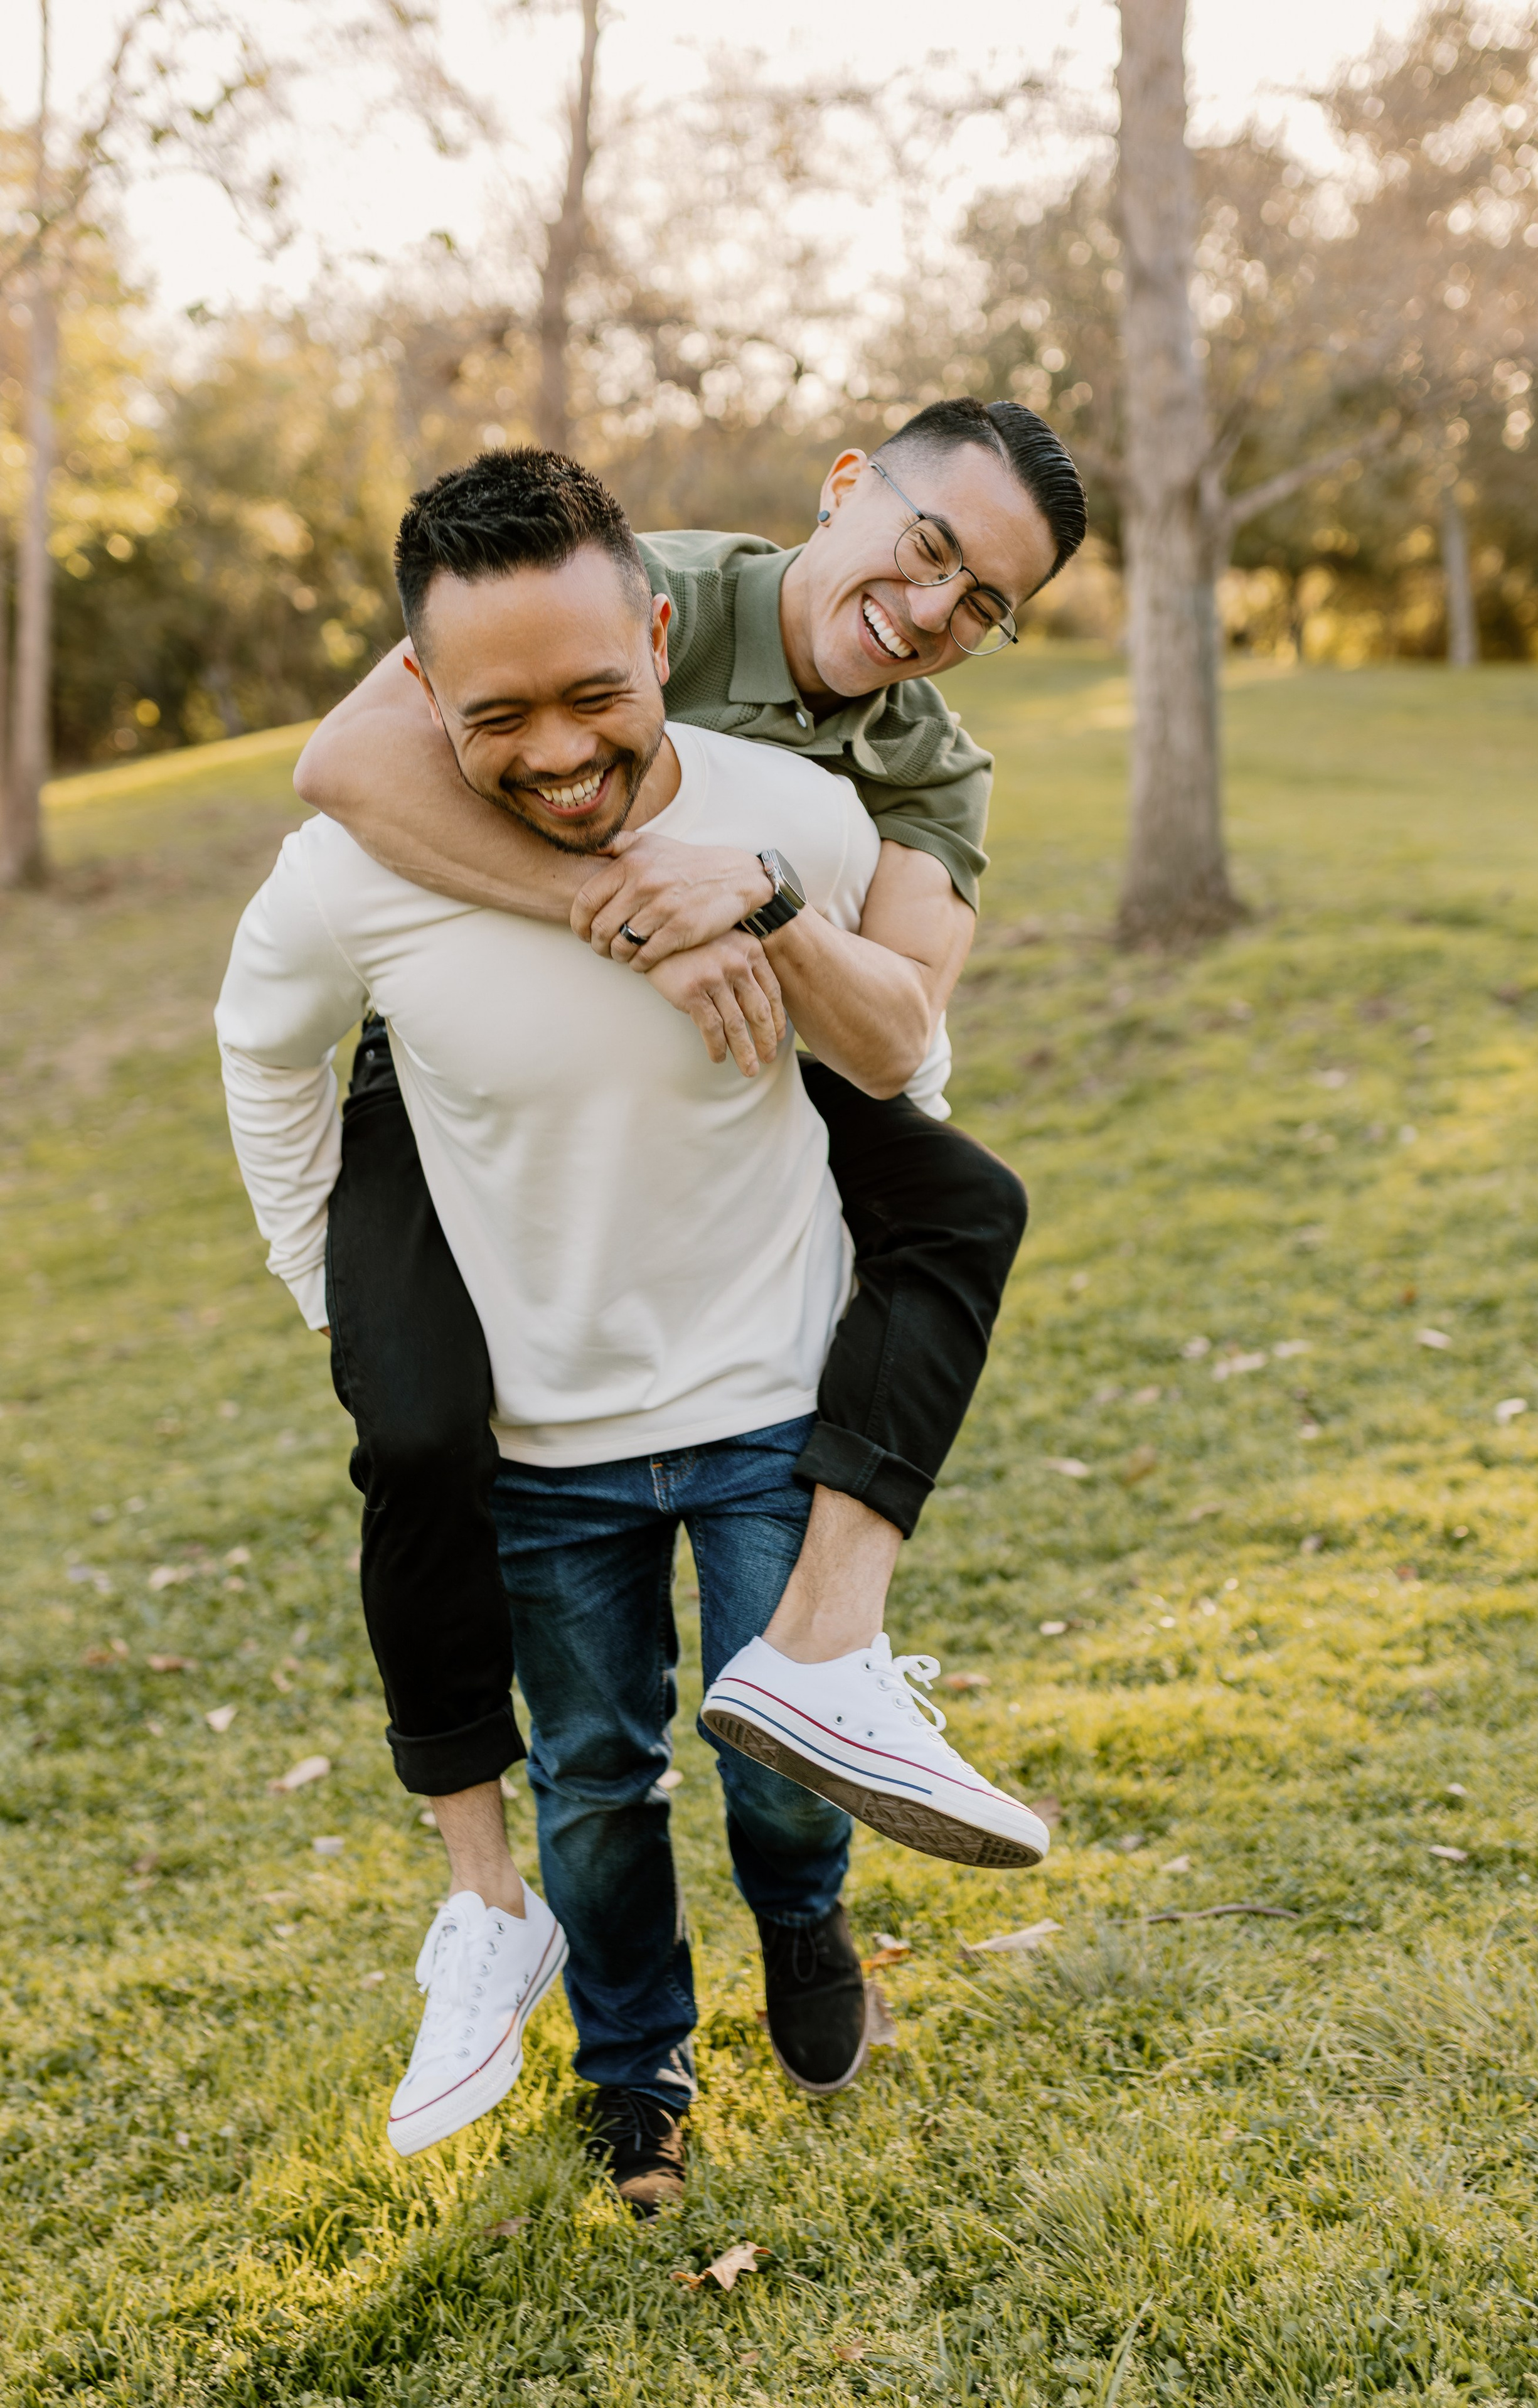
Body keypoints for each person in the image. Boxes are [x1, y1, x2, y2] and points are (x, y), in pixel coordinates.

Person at [217, 450, 1054, 2214]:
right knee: (597, 1782)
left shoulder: (816, 816)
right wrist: (332, 1286)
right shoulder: (359, 864)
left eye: (598, 695)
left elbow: (904, 1059)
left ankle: (808, 1929)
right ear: (423, 692)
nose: (560, 751)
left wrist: (746, 911)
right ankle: (632, 2071)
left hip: (767, 1389)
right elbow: (266, 1045)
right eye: (498, 711)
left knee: (787, 1770)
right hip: (541, 1424)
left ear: (660, 641)